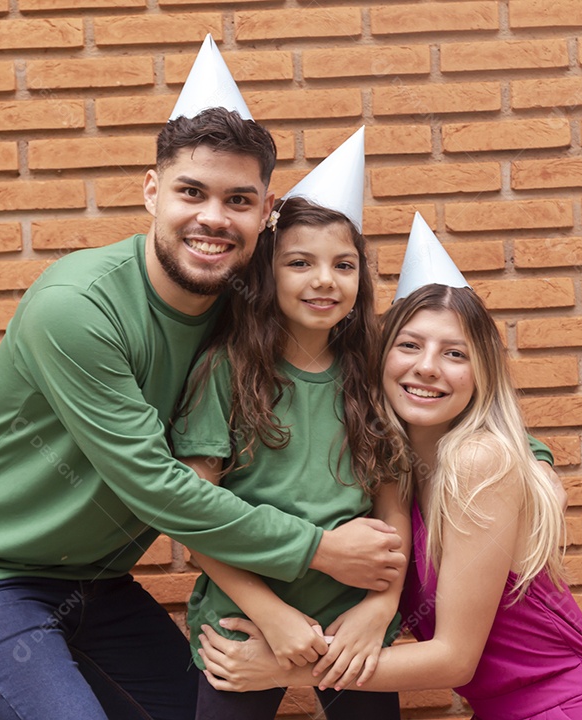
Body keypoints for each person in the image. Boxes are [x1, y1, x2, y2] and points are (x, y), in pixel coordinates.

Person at [0, 38, 405, 720]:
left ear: (264, 213)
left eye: (238, 199)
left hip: (93, 582)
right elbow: (157, 486)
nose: (213, 218)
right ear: (153, 191)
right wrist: (321, 549)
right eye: (192, 191)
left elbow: (378, 377)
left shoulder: (245, 311)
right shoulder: (79, 307)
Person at [197, 215, 582, 720]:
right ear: (378, 360)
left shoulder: (480, 462)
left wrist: (283, 670)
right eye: (410, 345)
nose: (428, 367)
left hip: (574, 707)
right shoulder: (397, 475)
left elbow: (454, 660)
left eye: (455, 353)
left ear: (481, 374)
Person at [170, 128, 407, 720]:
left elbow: (393, 506)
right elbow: (192, 516)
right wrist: (270, 613)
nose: (324, 280)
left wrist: (382, 607)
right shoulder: (224, 370)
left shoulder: (374, 374)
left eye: (343, 265)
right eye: (300, 262)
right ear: (267, 275)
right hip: (243, 618)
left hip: (353, 618)